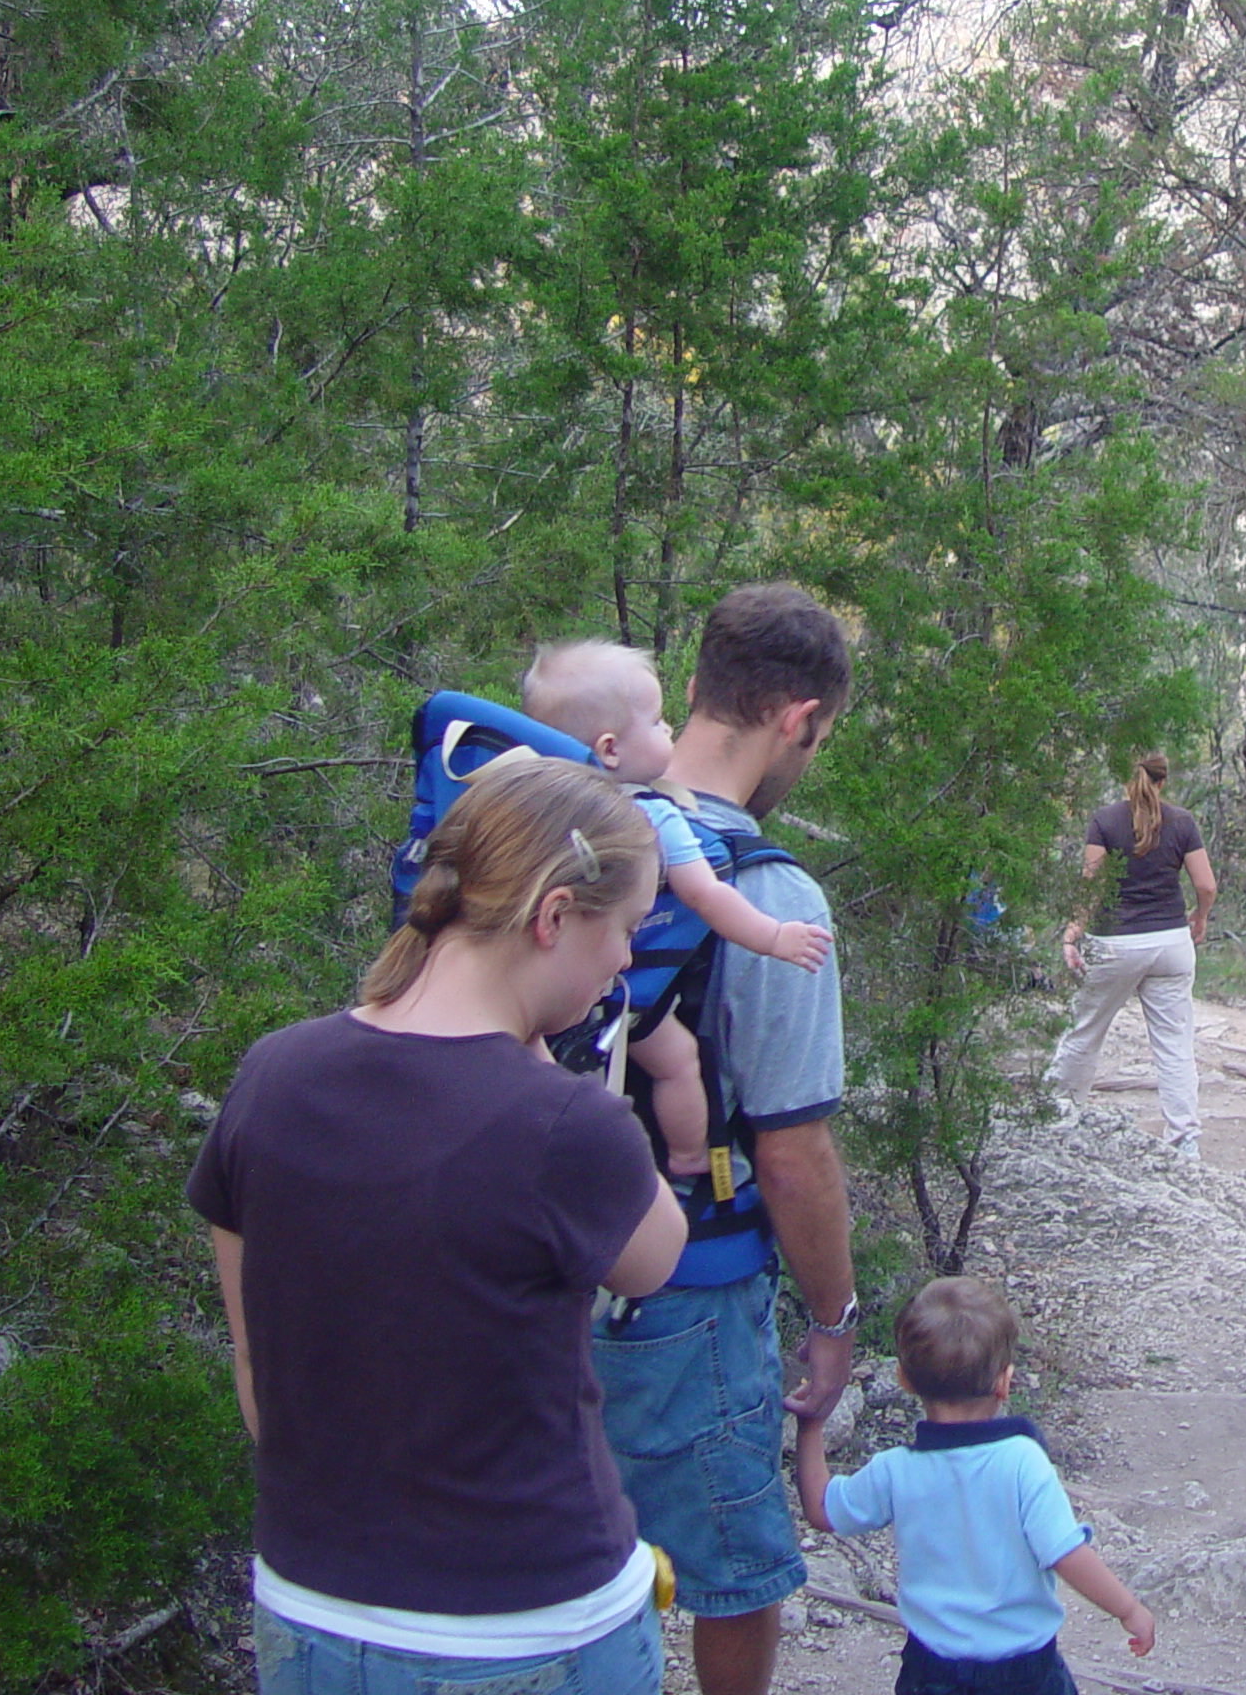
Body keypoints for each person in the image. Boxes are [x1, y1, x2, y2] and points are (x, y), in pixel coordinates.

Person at [186, 754, 689, 1695]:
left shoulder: (272, 1075)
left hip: (308, 1606)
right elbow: (656, 1258)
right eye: (624, 928)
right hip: (528, 1625)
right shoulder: (564, 1125)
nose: (626, 958)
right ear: (553, 919)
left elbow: (259, 1368)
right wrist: (561, 1068)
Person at [590, 583, 858, 1695]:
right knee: (733, 1572)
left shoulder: (566, 837)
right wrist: (835, 1319)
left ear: (695, 687)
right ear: (797, 720)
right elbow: (791, 1154)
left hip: (525, 1270)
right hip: (689, 1292)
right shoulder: (766, 897)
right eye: (821, 737)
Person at [522, 637, 833, 1177]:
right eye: (660, 721)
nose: (670, 731)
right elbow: (704, 894)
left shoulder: (530, 805)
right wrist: (774, 937)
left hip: (541, 999)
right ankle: (687, 1158)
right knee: (678, 1064)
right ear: (612, 749)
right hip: (629, 998)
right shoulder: (656, 817)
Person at [797, 1278, 1155, 1695]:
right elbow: (1066, 1552)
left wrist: (812, 1426)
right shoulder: (1022, 1463)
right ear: (1005, 1383)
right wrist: (1127, 1608)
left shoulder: (895, 1471)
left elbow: (822, 1510)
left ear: (903, 1379)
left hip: (932, 1670)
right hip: (1025, 1671)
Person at [1049, 754, 1216, 1161]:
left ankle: (1058, 1118)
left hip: (1115, 942)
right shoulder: (1182, 823)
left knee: (1084, 1030)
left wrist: (1072, 935)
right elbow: (1206, 884)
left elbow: (1090, 887)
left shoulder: (1105, 821)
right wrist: (1200, 917)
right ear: (1163, 781)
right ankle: (1184, 1139)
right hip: (1171, 943)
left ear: (1126, 780)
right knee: (1174, 1044)